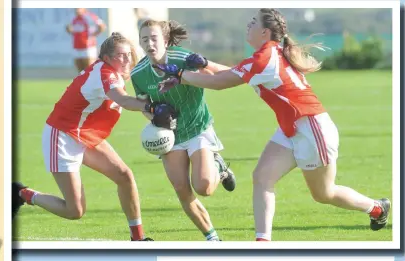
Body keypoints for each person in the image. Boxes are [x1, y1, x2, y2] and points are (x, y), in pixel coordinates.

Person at [154, 8, 391, 241]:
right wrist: (205, 63)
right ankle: (262, 243)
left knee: (324, 194)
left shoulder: (265, 57)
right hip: (293, 129)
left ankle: (377, 208)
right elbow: (234, 74)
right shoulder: (267, 54)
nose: (249, 23)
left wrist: (181, 75)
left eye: (254, 21)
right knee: (262, 177)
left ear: (265, 32)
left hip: (312, 129)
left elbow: (220, 82)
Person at [12, 32, 176, 241]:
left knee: (124, 176)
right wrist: (152, 108)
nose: (126, 59)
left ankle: (138, 239)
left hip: (85, 135)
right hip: (62, 135)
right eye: (120, 55)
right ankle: (23, 194)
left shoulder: (111, 73)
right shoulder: (105, 74)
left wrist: (155, 111)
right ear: (106, 58)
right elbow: (123, 100)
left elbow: (128, 101)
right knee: (75, 210)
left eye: (129, 54)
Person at [130, 19, 236, 241]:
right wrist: (154, 114)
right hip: (170, 136)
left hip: (197, 128)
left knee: (204, 187)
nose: (150, 43)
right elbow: (144, 105)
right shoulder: (138, 73)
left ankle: (218, 165)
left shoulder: (182, 59)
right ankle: (212, 238)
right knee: (181, 188)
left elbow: (223, 76)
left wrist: (204, 64)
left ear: (166, 41)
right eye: (144, 39)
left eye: (154, 38)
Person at [66, 8, 107, 73]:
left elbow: (102, 26)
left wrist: (95, 34)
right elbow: (68, 28)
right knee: (80, 70)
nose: (77, 9)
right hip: (77, 46)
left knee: (90, 69)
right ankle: (84, 82)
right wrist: (70, 30)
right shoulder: (73, 17)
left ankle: (93, 82)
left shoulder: (90, 16)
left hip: (88, 46)